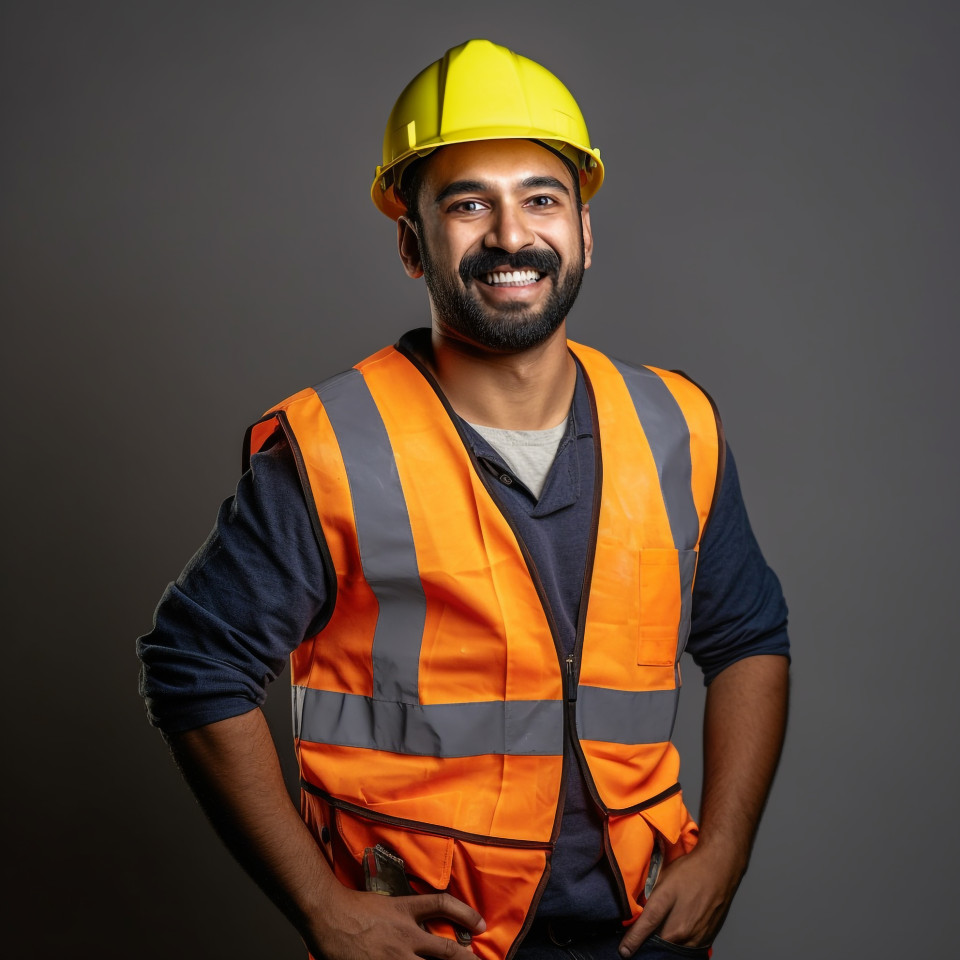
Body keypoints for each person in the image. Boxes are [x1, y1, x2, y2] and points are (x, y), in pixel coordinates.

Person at [138, 38, 790, 960]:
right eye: (468, 203)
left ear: (585, 232)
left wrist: (724, 851)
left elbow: (750, 638)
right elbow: (193, 663)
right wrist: (323, 908)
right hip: (441, 939)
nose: (512, 235)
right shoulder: (335, 445)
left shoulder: (674, 425)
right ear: (412, 242)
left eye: (542, 199)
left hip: (646, 932)